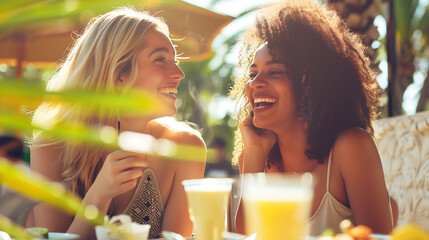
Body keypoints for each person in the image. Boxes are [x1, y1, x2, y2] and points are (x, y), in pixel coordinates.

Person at [29, 7, 206, 239]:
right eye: (160, 59)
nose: (179, 73)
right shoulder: (51, 145)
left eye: (175, 60)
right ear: (118, 73)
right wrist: (98, 196)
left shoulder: (186, 148)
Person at [230, 0, 393, 235]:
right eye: (253, 73)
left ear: (310, 83)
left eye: (275, 72)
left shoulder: (350, 147)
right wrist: (254, 152)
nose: (255, 84)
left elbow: (380, 238)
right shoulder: (257, 156)